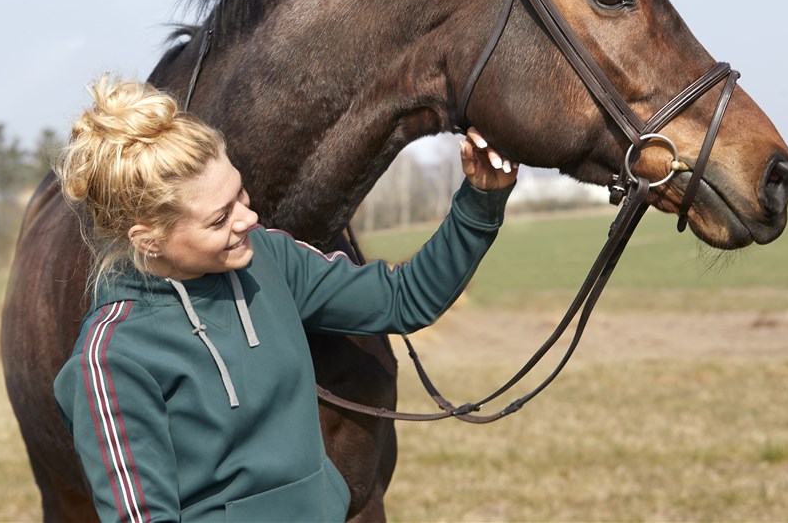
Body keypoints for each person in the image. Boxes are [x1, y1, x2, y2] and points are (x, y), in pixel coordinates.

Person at [52, 76, 517, 523]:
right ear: (147, 239)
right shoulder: (110, 362)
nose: (247, 217)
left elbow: (401, 300)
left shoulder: (266, 256)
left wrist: (480, 202)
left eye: (239, 193)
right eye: (219, 219)